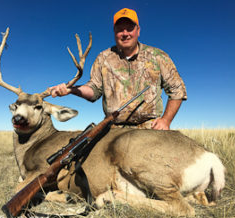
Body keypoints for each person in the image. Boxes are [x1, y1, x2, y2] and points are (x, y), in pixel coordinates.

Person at [49, 8, 187, 130]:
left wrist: (166, 120)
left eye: (129, 28)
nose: (125, 33)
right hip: (113, 129)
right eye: (120, 29)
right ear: (114, 32)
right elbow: (94, 90)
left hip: (149, 129)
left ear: (138, 31)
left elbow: (177, 89)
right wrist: (71, 89)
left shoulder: (158, 56)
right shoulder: (104, 58)